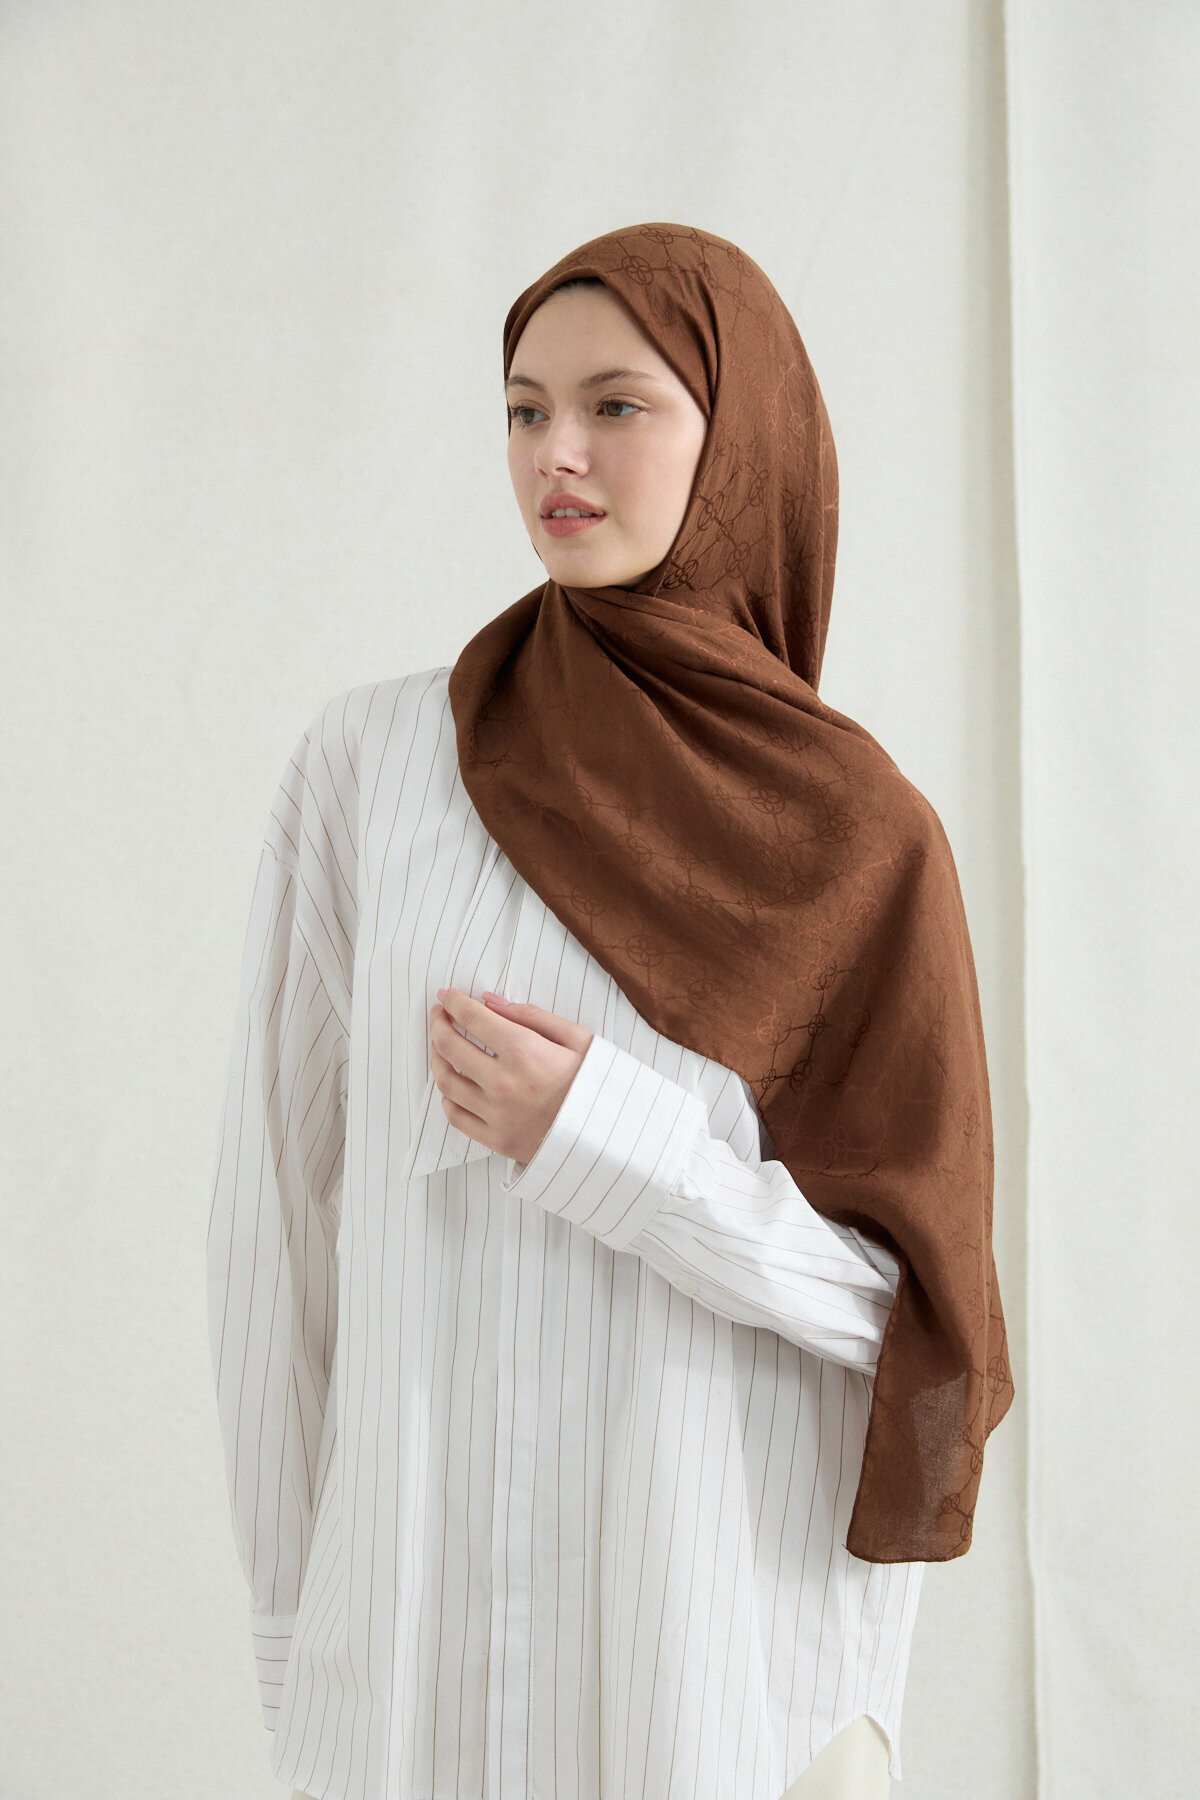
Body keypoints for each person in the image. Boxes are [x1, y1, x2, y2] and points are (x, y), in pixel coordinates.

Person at [209, 222, 1011, 1800]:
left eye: (615, 406)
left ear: (740, 441)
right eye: (523, 410)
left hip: (728, 1686)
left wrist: (606, 1141)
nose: (554, 454)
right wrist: (304, 1649)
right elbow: (274, 1236)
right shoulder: (377, 768)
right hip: (418, 1683)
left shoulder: (860, 837)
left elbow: (914, 1328)